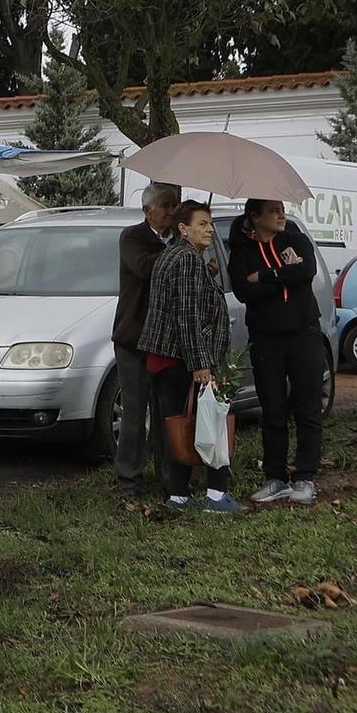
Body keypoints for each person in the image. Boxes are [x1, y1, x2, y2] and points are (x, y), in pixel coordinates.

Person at [138, 200, 239, 513]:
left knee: (178, 424)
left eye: (211, 223)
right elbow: (187, 315)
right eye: (202, 224)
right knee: (211, 418)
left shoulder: (175, 255)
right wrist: (200, 364)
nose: (210, 230)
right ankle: (216, 496)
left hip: (167, 357)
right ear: (183, 228)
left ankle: (179, 496)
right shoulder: (186, 259)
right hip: (182, 358)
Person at [228, 198, 325, 505]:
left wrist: (265, 275)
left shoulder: (296, 239)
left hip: (304, 333)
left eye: (282, 209)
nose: (282, 215)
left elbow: (306, 272)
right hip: (266, 339)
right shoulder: (242, 251)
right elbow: (243, 291)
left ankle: (305, 477)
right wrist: (285, 274)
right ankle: (275, 478)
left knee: (308, 406)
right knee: (272, 409)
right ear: (255, 217)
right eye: (274, 211)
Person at [111, 182, 180, 500]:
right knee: (135, 413)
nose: (171, 211)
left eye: (174, 205)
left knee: (167, 412)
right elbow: (143, 268)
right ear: (147, 210)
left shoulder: (178, 239)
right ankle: (129, 479)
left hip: (168, 339)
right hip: (134, 338)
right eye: (165, 205)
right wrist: (180, 254)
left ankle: (170, 478)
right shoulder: (132, 237)